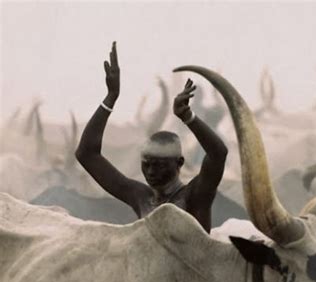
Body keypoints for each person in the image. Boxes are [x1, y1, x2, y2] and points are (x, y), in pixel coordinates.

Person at [75, 42, 228, 233]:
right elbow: (86, 154)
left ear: (179, 163)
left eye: (159, 165)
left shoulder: (195, 196)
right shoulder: (140, 197)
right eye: (146, 164)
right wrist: (110, 98)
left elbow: (218, 154)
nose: (151, 171)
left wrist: (187, 117)